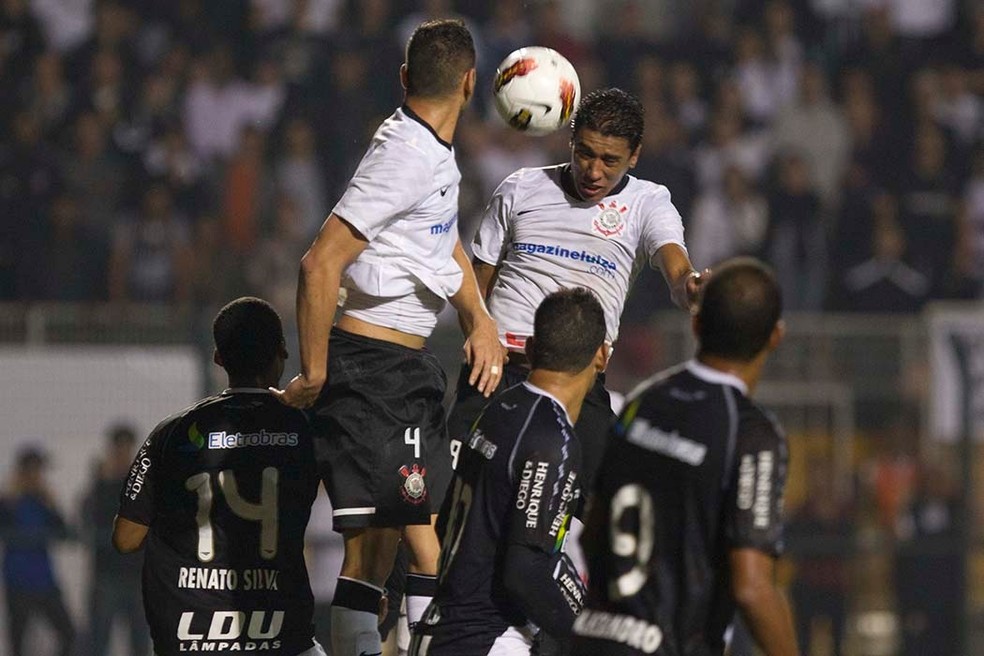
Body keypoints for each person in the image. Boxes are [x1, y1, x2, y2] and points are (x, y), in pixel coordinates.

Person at [271, 18, 504, 656]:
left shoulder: (428, 148)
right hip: (371, 372)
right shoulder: (405, 153)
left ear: (406, 79)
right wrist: (316, 372)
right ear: (471, 82)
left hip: (402, 370)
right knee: (425, 544)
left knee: (377, 558)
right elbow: (320, 262)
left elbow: (439, 238)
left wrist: (478, 317)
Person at [449, 87, 708, 501]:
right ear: (570, 140)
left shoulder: (648, 202)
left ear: (635, 155)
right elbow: (477, 285)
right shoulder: (520, 189)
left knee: (610, 509)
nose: (594, 171)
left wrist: (690, 286)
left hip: (578, 384)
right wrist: (477, 332)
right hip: (497, 374)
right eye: (586, 153)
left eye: (611, 160)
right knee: (450, 508)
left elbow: (674, 265)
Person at [571, 257, 799, 656]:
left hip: (592, 638)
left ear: (697, 326)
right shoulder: (750, 433)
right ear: (775, 337)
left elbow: (593, 530)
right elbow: (751, 586)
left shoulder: (642, 402)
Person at [112, 296, 327, 656]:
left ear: (218, 358)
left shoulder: (171, 434)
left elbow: (126, 538)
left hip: (187, 639)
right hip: (281, 637)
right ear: (282, 354)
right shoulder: (306, 430)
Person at [411, 288, 607, 655]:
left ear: (530, 348)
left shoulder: (497, 410)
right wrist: (593, 631)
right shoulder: (553, 438)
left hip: (442, 633)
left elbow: (448, 522)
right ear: (602, 355)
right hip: (489, 640)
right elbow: (527, 568)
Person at [0, 445, 75, 656]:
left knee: (68, 633)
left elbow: (64, 532)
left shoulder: (43, 502)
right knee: (19, 641)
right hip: (18, 581)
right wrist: (9, 500)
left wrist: (52, 503)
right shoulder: (9, 502)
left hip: (45, 580)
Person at [83, 423, 149, 656]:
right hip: (107, 573)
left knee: (140, 638)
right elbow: (87, 516)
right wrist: (103, 481)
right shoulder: (102, 482)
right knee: (99, 638)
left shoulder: (140, 482)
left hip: (136, 572)